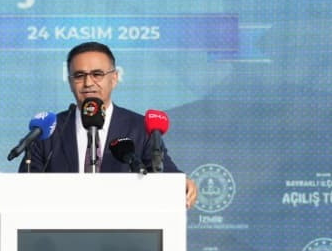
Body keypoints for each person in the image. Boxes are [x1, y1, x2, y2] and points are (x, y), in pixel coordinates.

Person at [18, 41, 198, 209]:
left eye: (97, 74)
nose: (88, 83)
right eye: (79, 75)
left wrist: (180, 183)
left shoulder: (140, 127)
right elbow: (24, 188)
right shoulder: (48, 130)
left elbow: (164, 171)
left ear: (114, 78)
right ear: (70, 81)